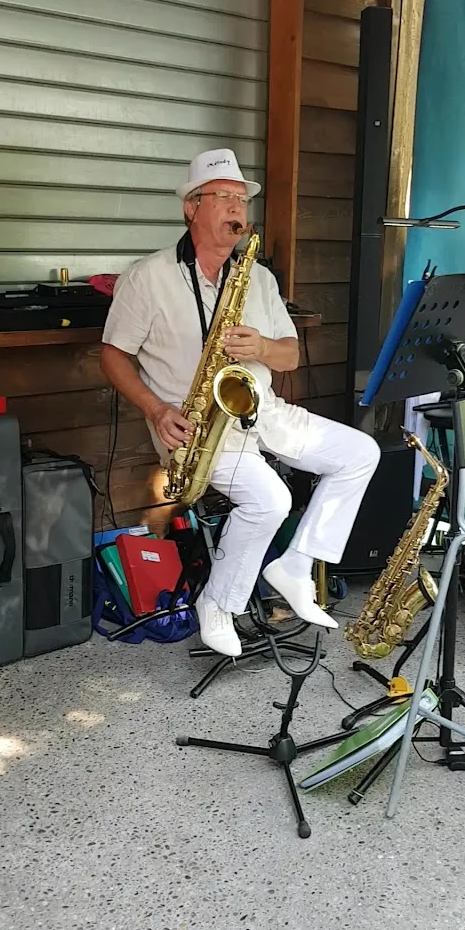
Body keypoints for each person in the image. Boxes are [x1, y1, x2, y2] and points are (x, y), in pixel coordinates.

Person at [100, 148, 381, 658]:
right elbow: (112, 356)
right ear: (192, 207)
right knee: (270, 499)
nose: (237, 209)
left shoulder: (259, 278)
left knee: (360, 452)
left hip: (260, 410)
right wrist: (156, 410)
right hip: (194, 429)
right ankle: (218, 604)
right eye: (224, 198)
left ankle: (298, 564)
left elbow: (290, 355)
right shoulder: (149, 277)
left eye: (241, 199)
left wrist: (263, 348)